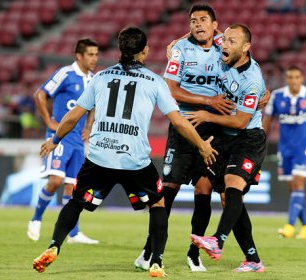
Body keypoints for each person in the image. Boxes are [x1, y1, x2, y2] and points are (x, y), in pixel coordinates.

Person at [32, 27, 218, 278]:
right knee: (158, 203)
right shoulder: (154, 81)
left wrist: (55, 139)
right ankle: (156, 261)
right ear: (145, 50)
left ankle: (54, 245)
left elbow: (73, 116)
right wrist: (202, 145)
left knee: (76, 200)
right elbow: (180, 122)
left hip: (99, 156)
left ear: (120, 50)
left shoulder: (100, 77)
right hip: (135, 160)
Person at [134, 4, 234, 273]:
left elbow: (244, 50)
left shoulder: (224, 44)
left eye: (203, 20)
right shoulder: (180, 50)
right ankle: (150, 250)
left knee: (204, 189)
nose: (197, 24)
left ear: (215, 25)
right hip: (183, 126)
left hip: (212, 129)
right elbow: (170, 89)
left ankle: (194, 253)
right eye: (192, 21)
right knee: (169, 189)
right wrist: (206, 100)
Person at [187, 24, 267, 273]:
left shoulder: (251, 80)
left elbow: (241, 121)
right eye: (225, 39)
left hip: (248, 137)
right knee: (221, 194)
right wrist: (175, 44)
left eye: (232, 41)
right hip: (225, 138)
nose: (224, 44)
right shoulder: (225, 50)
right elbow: (204, 28)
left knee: (232, 185)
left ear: (246, 48)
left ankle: (218, 240)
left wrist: (207, 116)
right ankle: (253, 260)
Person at [27, 38, 99, 244]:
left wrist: (88, 127)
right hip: (59, 139)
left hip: (78, 141)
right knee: (55, 181)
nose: (95, 58)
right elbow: (40, 94)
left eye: (96, 54)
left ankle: (74, 233)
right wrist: (49, 121)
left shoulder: (93, 79)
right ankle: (36, 218)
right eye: (90, 54)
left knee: (72, 188)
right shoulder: (65, 74)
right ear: (79, 56)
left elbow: (93, 106)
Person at [263, 65, 306, 239]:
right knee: (292, 187)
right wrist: (259, 144)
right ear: (286, 79)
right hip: (284, 148)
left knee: (298, 182)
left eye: (296, 77)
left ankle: (290, 226)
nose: (293, 80)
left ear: (302, 78)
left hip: (304, 147)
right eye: (290, 77)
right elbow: (267, 122)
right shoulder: (277, 96)